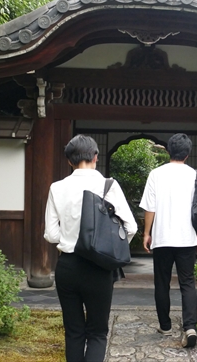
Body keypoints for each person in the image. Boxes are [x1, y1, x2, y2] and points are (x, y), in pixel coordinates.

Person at [44, 134, 137, 362]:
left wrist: (68, 237)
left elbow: (51, 234)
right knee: (97, 332)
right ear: (96, 157)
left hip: (67, 266)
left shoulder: (57, 187)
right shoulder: (108, 185)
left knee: (74, 332)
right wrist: (111, 248)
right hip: (99, 267)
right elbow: (131, 227)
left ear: (69, 161)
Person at [139, 133, 197, 348]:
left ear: (168, 151)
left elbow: (150, 207)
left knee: (162, 282)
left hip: (162, 238)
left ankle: (165, 326)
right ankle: (190, 327)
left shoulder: (156, 174)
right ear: (188, 154)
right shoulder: (196, 176)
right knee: (187, 283)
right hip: (187, 238)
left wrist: (147, 233)